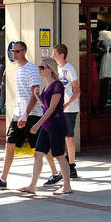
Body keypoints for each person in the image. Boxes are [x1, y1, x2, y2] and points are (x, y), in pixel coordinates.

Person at [0, 41, 57, 190]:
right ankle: (3, 179)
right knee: (9, 144)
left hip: (32, 115)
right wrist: (19, 113)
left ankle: (55, 173)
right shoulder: (17, 70)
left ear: (24, 51)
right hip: (18, 114)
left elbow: (35, 95)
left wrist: (26, 114)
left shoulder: (31, 69)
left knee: (41, 147)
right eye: (13, 51)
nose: (14, 54)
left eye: (17, 51)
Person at [19, 57, 72, 197]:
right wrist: (37, 95)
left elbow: (52, 109)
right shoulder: (47, 86)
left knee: (59, 155)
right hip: (48, 124)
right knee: (38, 154)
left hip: (56, 124)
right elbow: (45, 105)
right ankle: (32, 186)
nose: (39, 70)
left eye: (42, 67)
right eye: (39, 67)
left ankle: (67, 186)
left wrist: (38, 123)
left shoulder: (57, 86)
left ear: (50, 69)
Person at [53, 43, 81, 180]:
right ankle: (64, 166)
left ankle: (71, 166)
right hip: (59, 108)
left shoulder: (70, 69)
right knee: (60, 137)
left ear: (61, 55)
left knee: (69, 137)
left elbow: (77, 90)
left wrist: (67, 103)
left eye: (55, 54)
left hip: (69, 109)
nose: (52, 56)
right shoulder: (56, 68)